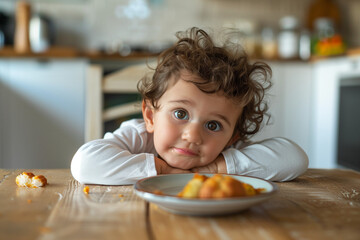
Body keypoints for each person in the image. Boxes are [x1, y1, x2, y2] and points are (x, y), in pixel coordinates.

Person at [71, 27, 308, 185]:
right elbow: (84, 164)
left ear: (232, 138)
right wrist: (162, 170)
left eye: (213, 125)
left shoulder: (225, 152)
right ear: (151, 116)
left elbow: (294, 159)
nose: (193, 135)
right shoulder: (138, 137)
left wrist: (217, 167)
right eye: (180, 113)